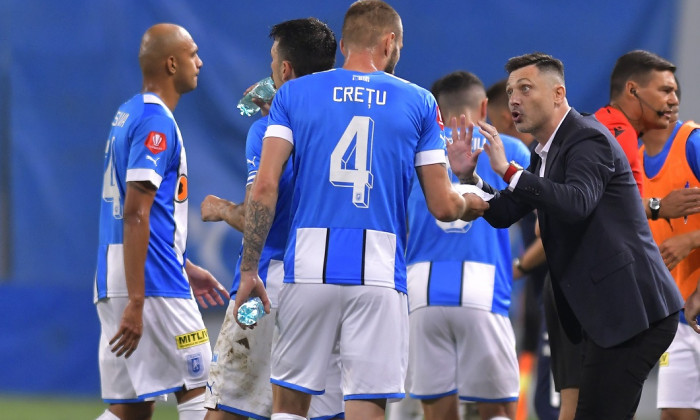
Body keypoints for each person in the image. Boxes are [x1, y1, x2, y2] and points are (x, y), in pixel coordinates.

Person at [236, 2, 489, 420]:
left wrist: (249, 269)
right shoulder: (419, 102)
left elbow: (264, 189)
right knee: (365, 403)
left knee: (291, 402)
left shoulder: (294, 94)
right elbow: (444, 206)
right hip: (379, 273)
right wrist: (474, 202)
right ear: (389, 42)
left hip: (308, 269)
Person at [446, 52, 683, 420]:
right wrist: (469, 180)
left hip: (635, 312)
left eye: (525, 88)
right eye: (510, 91)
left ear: (559, 94)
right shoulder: (546, 152)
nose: (514, 100)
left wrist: (508, 169)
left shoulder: (588, 138)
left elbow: (576, 203)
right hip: (604, 313)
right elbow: (507, 211)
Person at [200, 18, 344, 420]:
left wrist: (220, 208)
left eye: (272, 62)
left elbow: (257, 214)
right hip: (330, 281)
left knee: (227, 405)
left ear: (284, 71)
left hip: (266, 285)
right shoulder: (344, 128)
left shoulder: (267, 131)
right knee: (317, 410)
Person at [94, 23, 229, 420]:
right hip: (150, 283)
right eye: (193, 54)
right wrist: (138, 300)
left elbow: (135, 210)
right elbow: (136, 211)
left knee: (131, 409)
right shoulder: (156, 122)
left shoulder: (127, 113)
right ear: (172, 63)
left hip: (115, 274)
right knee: (203, 394)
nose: (199, 62)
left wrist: (183, 264)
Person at [403, 70, 529, 420]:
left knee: (437, 411)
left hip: (422, 289)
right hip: (483, 287)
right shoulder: (510, 148)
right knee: (498, 410)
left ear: (436, 114)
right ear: (485, 106)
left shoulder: (417, 153)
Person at [488, 78, 553, 420]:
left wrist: (517, 269)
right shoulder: (523, 161)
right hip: (531, 295)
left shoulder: (534, 162)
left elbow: (552, 231)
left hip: (552, 291)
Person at [639, 83, 700, 419]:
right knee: (675, 413)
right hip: (676, 315)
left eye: (675, 90)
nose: (673, 98)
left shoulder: (693, 144)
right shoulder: (629, 161)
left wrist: (691, 240)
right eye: (662, 90)